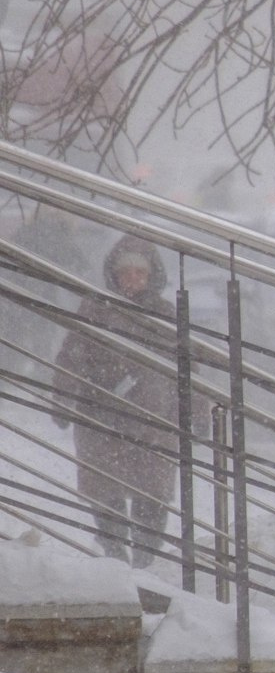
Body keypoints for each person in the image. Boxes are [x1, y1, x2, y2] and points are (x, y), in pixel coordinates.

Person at [53, 235, 175, 565]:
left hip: (153, 422)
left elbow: (187, 369)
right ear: (113, 274)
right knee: (105, 491)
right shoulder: (95, 309)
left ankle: (145, 560)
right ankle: (114, 552)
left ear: (152, 276)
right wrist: (63, 396)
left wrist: (197, 411)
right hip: (101, 417)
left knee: (152, 493)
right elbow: (72, 356)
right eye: (126, 272)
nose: (132, 279)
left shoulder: (165, 315)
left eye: (140, 272)